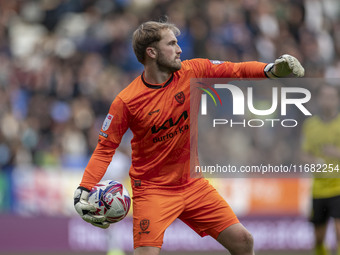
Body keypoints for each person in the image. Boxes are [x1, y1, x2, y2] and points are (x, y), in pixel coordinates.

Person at [74, 20, 304, 255]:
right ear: (152, 52)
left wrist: (270, 70)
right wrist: (83, 190)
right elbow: (105, 149)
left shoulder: (192, 71)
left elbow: (236, 70)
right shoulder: (127, 101)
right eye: (172, 44)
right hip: (153, 191)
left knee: (243, 241)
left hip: (193, 184)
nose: (179, 49)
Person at [301, 85, 340, 255]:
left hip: (338, 187)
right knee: (318, 238)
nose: (328, 100)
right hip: (318, 189)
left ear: (337, 99)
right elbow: (303, 155)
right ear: (318, 99)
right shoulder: (310, 125)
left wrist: (336, 153)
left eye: (331, 97)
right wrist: (314, 161)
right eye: (324, 96)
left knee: (339, 232)